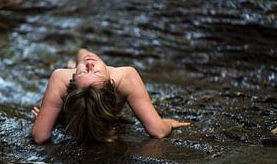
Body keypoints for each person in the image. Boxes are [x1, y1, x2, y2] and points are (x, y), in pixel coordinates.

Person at [31, 49, 190, 144]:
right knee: (86, 53)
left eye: (84, 71)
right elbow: (159, 131)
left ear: (71, 81)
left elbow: (40, 137)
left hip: (76, 108)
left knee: (84, 53)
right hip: (91, 110)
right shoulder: (125, 77)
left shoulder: (60, 78)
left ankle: (73, 65)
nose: (89, 64)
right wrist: (167, 122)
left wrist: (47, 119)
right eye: (95, 71)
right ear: (111, 84)